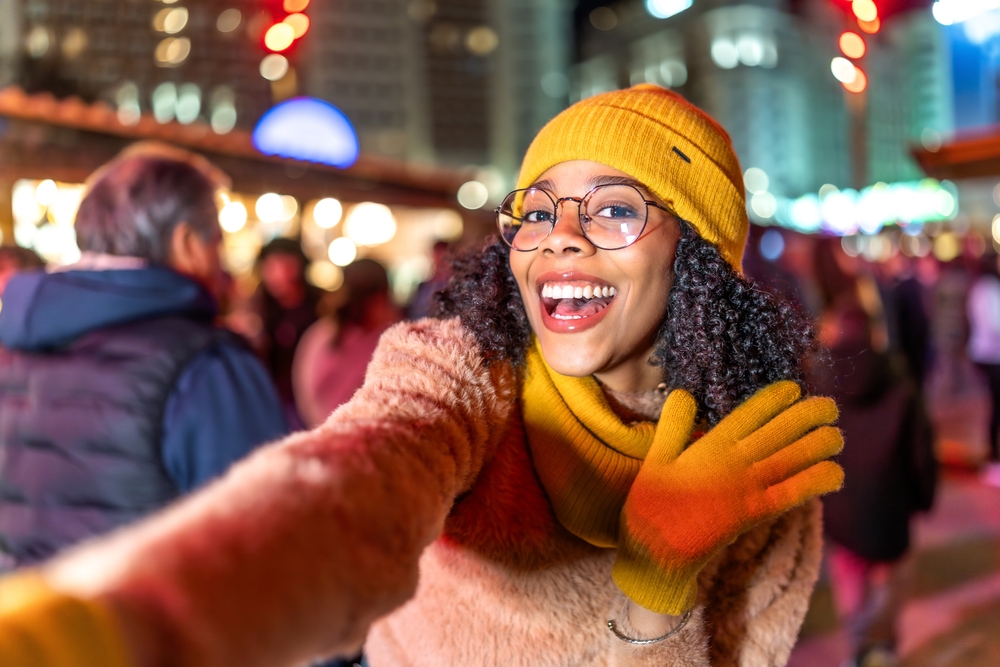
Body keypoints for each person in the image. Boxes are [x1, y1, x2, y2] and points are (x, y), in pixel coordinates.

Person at [0, 85, 843, 667]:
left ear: (699, 257)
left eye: (617, 208)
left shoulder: (762, 471)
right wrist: (136, 618)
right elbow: (350, 483)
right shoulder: (460, 366)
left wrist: (659, 581)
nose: (558, 238)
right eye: (538, 211)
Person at [0, 147, 288, 572]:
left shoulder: (14, 349)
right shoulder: (206, 363)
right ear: (187, 242)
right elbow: (271, 539)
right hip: (159, 632)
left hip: (32, 628)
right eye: (216, 240)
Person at [811, 239, 936, 667]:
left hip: (842, 509)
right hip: (890, 504)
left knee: (849, 575)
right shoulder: (899, 379)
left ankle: (859, 645)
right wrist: (923, 497)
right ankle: (881, 646)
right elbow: (920, 449)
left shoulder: (821, 384)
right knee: (892, 575)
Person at [293, 259, 402, 428]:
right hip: (352, 435)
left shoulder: (322, 333)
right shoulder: (328, 335)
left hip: (333, 433)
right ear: (380, 298)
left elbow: (306, 394)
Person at [255, 237, 325, 428]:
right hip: (271, 398)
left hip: (312, 397)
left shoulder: (321, 306)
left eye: (285, 265)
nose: (278, 274)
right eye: (270, 267)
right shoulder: (259, 307)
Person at [968, 251, 1000, 486]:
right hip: (991, 355)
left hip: (990, 354)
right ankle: (993, 460)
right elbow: (993, 325)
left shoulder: (985, 288)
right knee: (995, 409)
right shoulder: (986, 289)